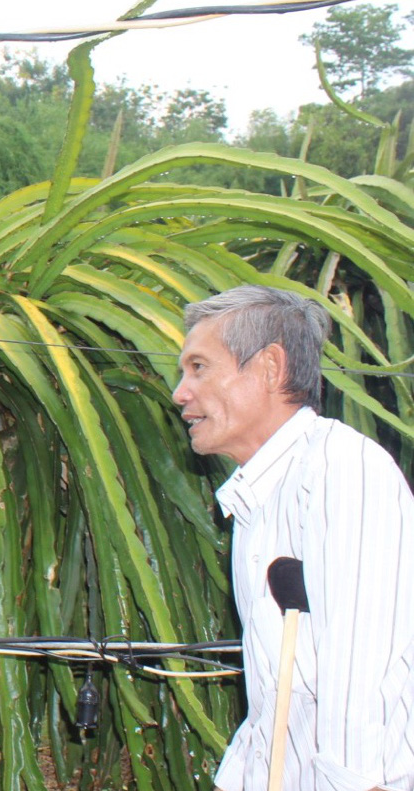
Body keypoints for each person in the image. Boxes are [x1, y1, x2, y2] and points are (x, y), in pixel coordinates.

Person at [172, 285, 414, 791]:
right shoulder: (256, 496)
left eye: (198, 368)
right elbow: (278, 701)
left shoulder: (341, 471)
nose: (180, 393)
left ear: (269, 368)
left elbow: (359, 674)